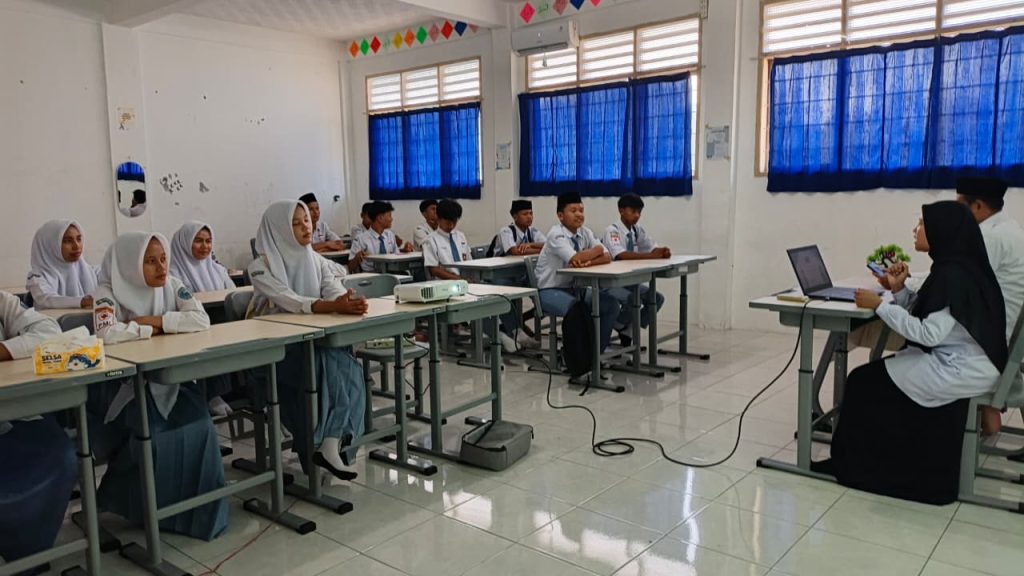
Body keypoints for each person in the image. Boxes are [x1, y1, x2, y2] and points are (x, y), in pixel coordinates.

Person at [816, 201, 1007, 506]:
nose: (915, 230)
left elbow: (928, 333)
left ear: (942, 231)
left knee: (863, 382)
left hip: (960, 369)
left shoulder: (953, 274)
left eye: (922, 224)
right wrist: (899, 289)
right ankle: (861, 463)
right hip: (962, 361)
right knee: (871, 378)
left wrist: (881, 305)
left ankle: (856, 468)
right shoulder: (956, 267)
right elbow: (927, 313)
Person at [90, 232, 228, 540]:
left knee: (201, 426)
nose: (161, 267)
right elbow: (106, 334)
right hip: (128, 389)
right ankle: (147, 509)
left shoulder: (172, 283)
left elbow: (200, 319)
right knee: (156, 435)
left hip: (173, 381)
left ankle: (198, 513)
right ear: (130, 264)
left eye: (163, 258)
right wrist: (153, 328)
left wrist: (154, 322)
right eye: (150, 261)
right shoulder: (106, 291)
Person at [248, 200, 368, 480]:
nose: (306, 226)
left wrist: (346, 300)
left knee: (344, 362)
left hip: (311, 346)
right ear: (279, 229)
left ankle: (331, 442)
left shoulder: (315, 260)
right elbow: (289, 300)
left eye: (307, 220)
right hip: (274, 353)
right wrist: (333, 306)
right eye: (296, 222)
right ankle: (330, 442)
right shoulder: (260, 266)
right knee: (335, 360)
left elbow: (332, 288)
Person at [0, 295, 76, 569]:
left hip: (11, 413)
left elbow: (49, 331)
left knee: (60, 454)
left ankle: (29, 553)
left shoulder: (2, 302)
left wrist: (4, 349)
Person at [954, 177, 1024, 436]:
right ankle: (988, 416)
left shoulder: (989, 237)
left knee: (926, 340)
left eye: (959, 206)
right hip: (1011, 335)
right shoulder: (1010, 228)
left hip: (994, 340)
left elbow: (956, 284)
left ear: (978, 206)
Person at [535, 193, 619, 383]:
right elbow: (576, 258)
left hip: (574, 289)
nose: (579, 214)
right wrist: (595, 251)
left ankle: (593, 356)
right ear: (560, 215)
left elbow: (607, 256)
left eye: (581, 210)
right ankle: (578, 366)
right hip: (549, 290)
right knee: (578, 310)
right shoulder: (556, 234)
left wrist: (589, 260)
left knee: (610, 305)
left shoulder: (585, 232)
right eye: (573, 210)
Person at [169, 220, 236, 416]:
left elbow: (233, 295)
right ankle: (213, 394)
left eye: (208, 241)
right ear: (184, 243)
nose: (205, 246)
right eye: (198, 241)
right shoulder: (172, 273)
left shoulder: (218, 270)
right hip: (192, 330)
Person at [603, 194, 668, 346]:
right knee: (634, 299)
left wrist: (662, 251)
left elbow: (651, 247)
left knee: (656, 299)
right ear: (621, 211)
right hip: (611, 282)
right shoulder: (612, 231)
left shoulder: (636, 230)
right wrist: (652, 256)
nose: (637, 215)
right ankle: (619, 324)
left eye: (639, 212)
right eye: (633, 211)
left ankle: (629, 329)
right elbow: (621, 255)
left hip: (629, 281)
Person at [26, 219, 99, 310]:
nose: (76, 246)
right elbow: (47, 299)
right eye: (67, 241)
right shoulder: (37, 277)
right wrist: (83, 301)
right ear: (50, 246)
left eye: (79, 239)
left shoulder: (91, 271)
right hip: (52, 320)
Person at [349, 201, 414, 273]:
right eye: (389, 215)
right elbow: (351, 267)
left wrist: (405, 251)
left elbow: (397, 257)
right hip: (371, 274)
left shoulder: (390, 235)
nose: (391, 219)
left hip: (391, 272)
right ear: (380, 218)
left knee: (408, 274)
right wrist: (356, 258)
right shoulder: (361, 239)